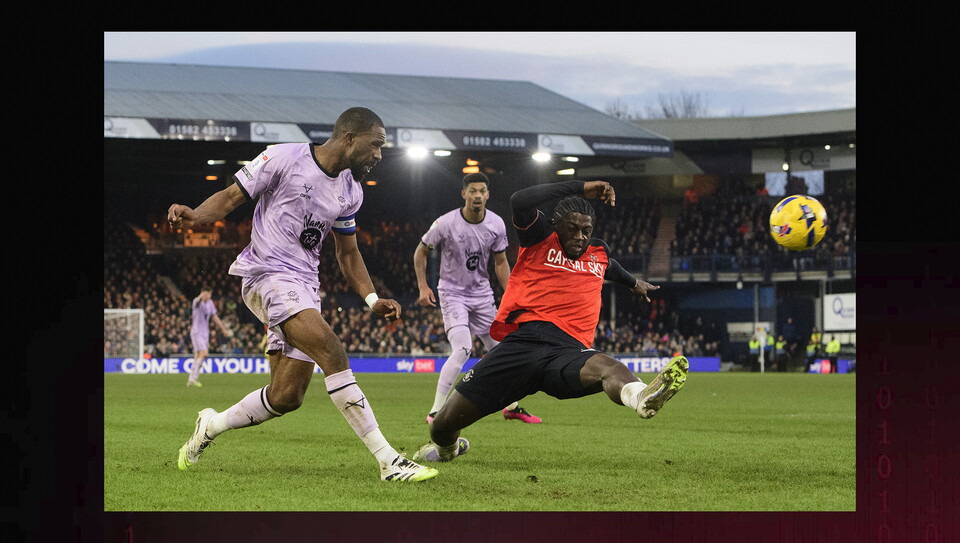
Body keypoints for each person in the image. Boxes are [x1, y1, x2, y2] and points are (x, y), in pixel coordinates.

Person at [168, 106, 438, 482]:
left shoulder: (351, 191)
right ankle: (388, 461)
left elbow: (348, 253)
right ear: (350, 139)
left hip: (305, 286)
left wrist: (372, 299)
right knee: (332, 349)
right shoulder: (283, 157)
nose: (379, 155)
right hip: (267, 274)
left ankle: (210, 425)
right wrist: (195, 215)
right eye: (375, 145)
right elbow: (230, 197)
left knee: (286, 397)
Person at [410, 179, 688, 464]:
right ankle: (448, 450)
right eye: (572, 228)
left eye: (586, 231)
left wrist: (633, 282)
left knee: (610, 367)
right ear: (556, 225)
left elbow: (611, 266)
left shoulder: (598, 253)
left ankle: (641, 396)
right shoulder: (539, 237)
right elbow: (519, 199)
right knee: (441, 427)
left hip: (567, 352)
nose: (579, 237)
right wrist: (580, 187)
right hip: (521, 345)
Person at [414, 172, 542, 425]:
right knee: (463, 348)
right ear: (464, 194)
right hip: (452, 293)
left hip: (482, 294)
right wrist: (422, 286)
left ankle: (512, 407)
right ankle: (435, 411)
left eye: (482, 191)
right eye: (472, 191)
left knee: (502, 351)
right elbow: (421, 251)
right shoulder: (445, 223)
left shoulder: (496, 224)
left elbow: (501, 262)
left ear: (488, 195)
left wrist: (512, 295)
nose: (477, 195)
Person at [185, 285, 232, 387]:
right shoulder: (196, 301)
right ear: (203, 293)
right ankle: (193, 378)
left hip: (205, 332)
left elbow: (214, 317)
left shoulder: (210, 303)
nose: (208, 296)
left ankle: (191, 379)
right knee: (204, 353)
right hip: (197, 331)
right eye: (207, 294)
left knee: (198, 355)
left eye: (210, 294)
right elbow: (197, 301)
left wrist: (223, 329)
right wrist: (201, 296)